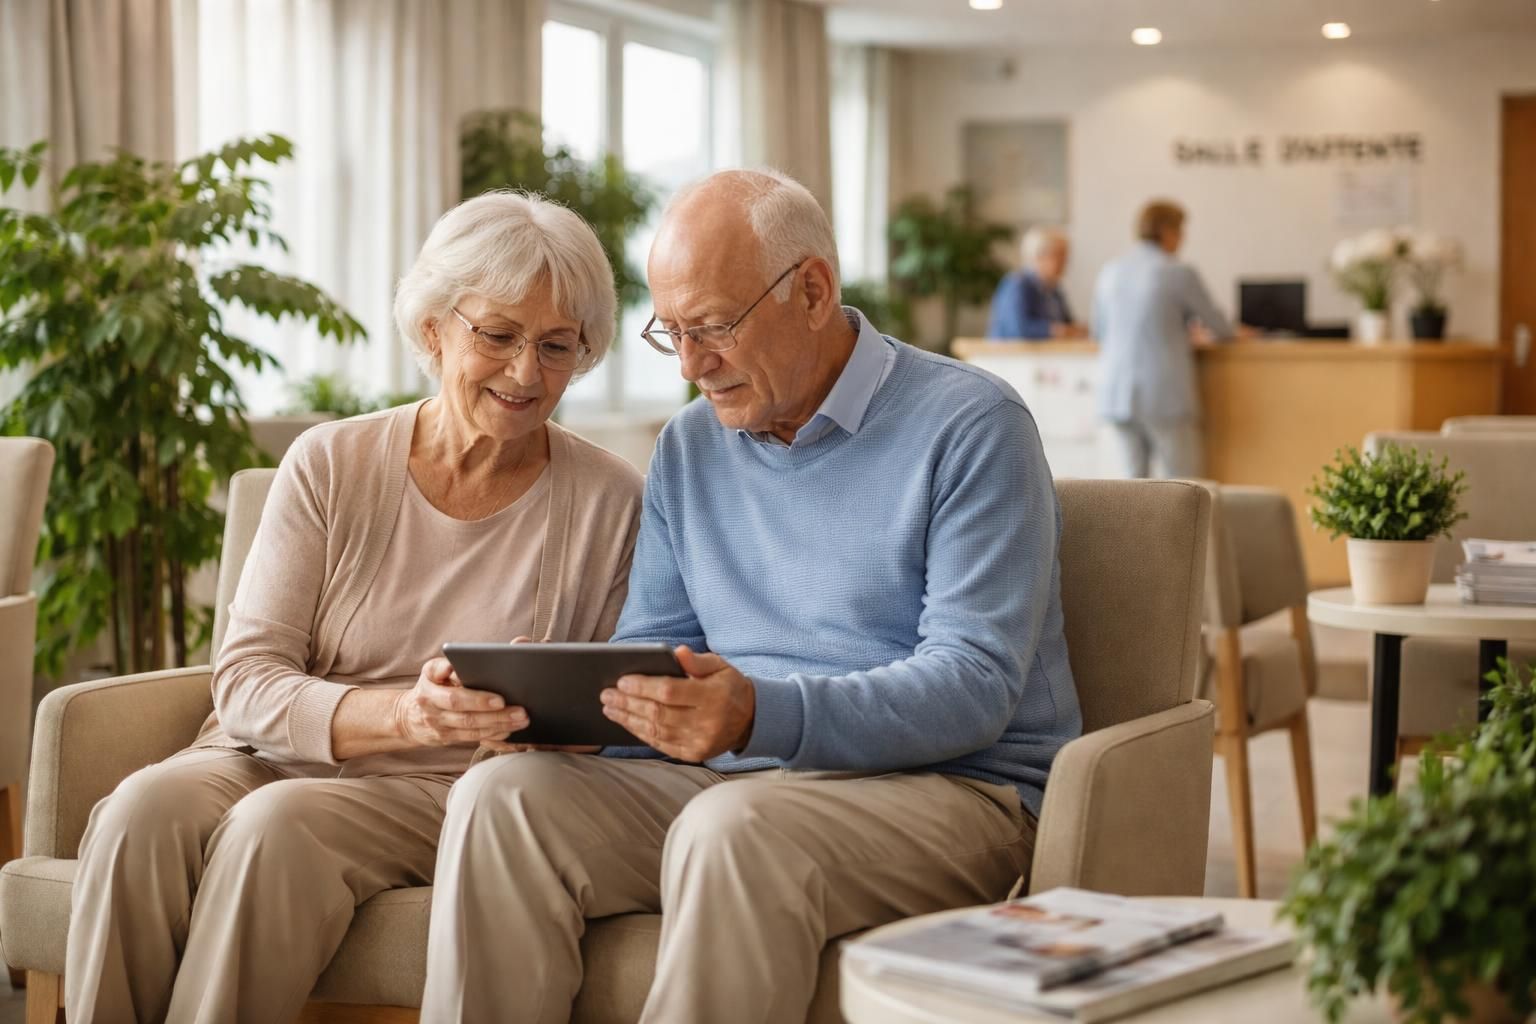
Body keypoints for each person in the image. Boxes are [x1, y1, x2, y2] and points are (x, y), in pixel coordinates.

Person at [422, 169, 1083, 1024]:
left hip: (955, 791)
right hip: (736, 783)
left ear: (811, 291)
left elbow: (975, 685)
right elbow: (654, 652)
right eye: (672, 334)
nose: (693, 365)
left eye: (714, 328)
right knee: (500, 800)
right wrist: (566, 716)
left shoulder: (971, 425)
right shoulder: (691, 449)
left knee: (734, 830)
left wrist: (756, 717)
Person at [64, 192, 644, 1022]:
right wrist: (406, 712)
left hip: (441, 789)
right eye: (499, 334)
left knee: (279, 827)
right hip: (263, 751)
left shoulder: (611, 500)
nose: (526, 373)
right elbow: (246, 680)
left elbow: (608, 712)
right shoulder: (330, 462)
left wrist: (536, 712)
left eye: (557, 346)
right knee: (140, 811)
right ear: (434, 328)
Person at [1092, 199, 1242, 478]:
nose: (1182, 239)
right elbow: (1222, 329)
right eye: (1181, 230)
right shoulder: (1177, 272)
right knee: (1184, 488)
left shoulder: (1109, 271)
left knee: (1132, 490)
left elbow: (1098, 332)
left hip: (1115, 393)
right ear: (1167, 231)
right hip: (1163, 394)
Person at [987, 226, 1086, 340]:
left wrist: (1075, 329)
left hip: (1044, 355)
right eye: (1059, 255)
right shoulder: (1017, 284)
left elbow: (1067, 324)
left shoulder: (1054, 291)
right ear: (1038, 256)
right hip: (1009, 355)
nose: (1065, 262)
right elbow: (1018, 328)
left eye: (1065, 256)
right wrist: (1055, 331)